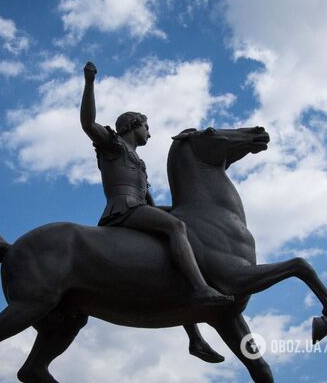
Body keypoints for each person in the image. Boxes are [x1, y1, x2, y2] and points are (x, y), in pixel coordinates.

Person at [80, 61, 234, 306]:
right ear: (133, 125)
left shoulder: (138, 161)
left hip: (137, 208)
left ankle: (193, 332)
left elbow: (147, 200)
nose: (149, 134)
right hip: (123, 209)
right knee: (176, 228)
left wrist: (173, 211)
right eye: (146, 127)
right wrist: (89, 82)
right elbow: (88, 124)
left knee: (180, 229)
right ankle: (200, 289)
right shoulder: (112, 144)